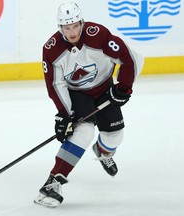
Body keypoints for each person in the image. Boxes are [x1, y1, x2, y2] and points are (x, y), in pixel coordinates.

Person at [34, 2, 144, 208]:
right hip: (78, 94)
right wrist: (64, 114)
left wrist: (123, 89)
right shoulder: (52, 50)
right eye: (67, 28)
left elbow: (130, 58)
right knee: (83, 132)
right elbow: (55, 84)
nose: (72, 31)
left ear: (81, 23)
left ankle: (102, 152)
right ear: (60, 28)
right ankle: (53, 182)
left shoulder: (98, 35)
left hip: (105, 88)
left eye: (75, 25)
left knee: (115, 136)